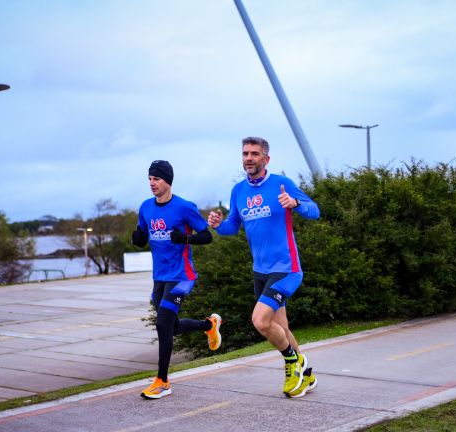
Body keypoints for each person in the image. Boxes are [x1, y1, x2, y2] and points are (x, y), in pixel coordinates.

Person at [208, 137, 320, 398]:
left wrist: (296, 204)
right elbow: (232, 227)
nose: (249, 158)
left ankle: (292, 364)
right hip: (261, 271)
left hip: (287, 268)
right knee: (282, 329)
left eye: (255, 153)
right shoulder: (238, 191)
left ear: (266, 159)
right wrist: (217, 224)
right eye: (245, 153)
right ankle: (307, 375)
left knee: (260, 320)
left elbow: (315, 211)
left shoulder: (282, 184)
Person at [132, 160, 222, 400]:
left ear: (167, 181)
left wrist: (184, 238)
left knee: (162, 324)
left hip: (182, 275)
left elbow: (206, 236)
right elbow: (141, 235)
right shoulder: (145, 207)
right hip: (159, 276)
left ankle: (162, 381)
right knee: (169, 327)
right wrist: (137, 237)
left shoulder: (184, 207)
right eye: (149, 179)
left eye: (157, 179)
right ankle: (208, 326)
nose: (152, 183)